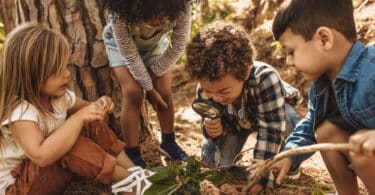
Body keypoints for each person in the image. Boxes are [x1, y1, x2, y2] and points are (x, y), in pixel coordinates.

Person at [0, 23, 154, 195]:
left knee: (88, 124)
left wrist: (100, 105)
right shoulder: (21, 112)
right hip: (19, 188)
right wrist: (77, 118)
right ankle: (128, 182)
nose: (67, 74)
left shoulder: (59, 97)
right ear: (30, 74)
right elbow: (41, 156)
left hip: (48, 176)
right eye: (56, 70)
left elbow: (90, 112)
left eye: (66, 66)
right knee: (70, 141)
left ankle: (135, 173)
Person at [270, 0, 375, 194]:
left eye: (291, 51)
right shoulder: (322, 86)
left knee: (362, 147)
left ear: (324, 39)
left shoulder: (372, 66)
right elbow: (310, 125)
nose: (288, 61)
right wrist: (288, 155)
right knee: (326, 132)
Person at [185, 21, 302, 194]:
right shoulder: (206, 87)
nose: (216, 97)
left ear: (246, 72)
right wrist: (210, 131)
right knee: (212, 164)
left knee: (289, 119)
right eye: (210, 91)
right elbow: (208, 121)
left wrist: (259, 177)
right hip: (234, 125)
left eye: (224, 90)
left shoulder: (265, 79)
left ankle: (291, 164)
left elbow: (271, 130)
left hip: (270, 117)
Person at [102, 0, 192, 168]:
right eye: (150, 15)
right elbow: (130, 56)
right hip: (120, 48)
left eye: (162, 16)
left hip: (155, 46)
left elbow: (178, 46)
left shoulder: (182, 6)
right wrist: (148, 89)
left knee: (164, 91)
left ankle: (168, 143)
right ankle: (132, 152)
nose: (156, 22)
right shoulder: (120, 14)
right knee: (133, 92)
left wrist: (152, 79)